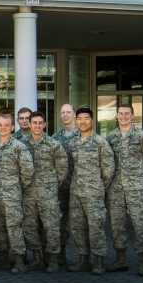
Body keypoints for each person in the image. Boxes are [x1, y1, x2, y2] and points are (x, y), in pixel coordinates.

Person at [105, 103, 143, 277]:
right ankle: (121, 259)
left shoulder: (142, 136)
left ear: (133, 115)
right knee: (117, 224)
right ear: (117, 116)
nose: (124, 117)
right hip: (116, 188)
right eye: (121, 114)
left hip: (137, 187)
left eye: (127, 114)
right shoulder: (111, 137)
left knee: (140, 224)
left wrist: (142, 179)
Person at [68, 107, 115, 276]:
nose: (82, 121)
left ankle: (99, 260)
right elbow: (71, 167)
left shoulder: (100, 143)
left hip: (94, 193)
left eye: (86, 118)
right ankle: (83, 259)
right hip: (76, 193)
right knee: (77, 228)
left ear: (92, 121)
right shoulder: (73, 143)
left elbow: (108, 170)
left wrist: (99, 186)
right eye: (79, 118)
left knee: (96, 227)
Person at [20, 111, 68, 273]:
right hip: (28, 193)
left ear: (44, 124)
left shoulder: (54, 145)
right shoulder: (22, 144)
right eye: (34, 122)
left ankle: (53, 258)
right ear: (29, 124)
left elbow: (62, 170)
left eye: (41, 123)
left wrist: (52, 185)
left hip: (48, 194)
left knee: (51, 226)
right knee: (29, 226)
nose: (37, 126)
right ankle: (37, 257)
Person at [0, 114, 35, 275]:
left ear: (12, 127)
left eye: (6, 125)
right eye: (0, 125)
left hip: (11, 196)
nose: (2, 128)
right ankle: (1, 256)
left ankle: (20, 258)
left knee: (14, 228)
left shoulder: (18, 147)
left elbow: (27, 170)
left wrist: (18, 187)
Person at [51, 103, 80, 266]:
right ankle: (61, 253)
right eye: (63, 112)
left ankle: (86, 256)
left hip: (81, 187)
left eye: (69, 112)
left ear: (74, 114)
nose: (66, 115)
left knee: (79, 223)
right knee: (60, 222)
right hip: (61, 187)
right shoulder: (56, 138)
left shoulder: (83, 135)